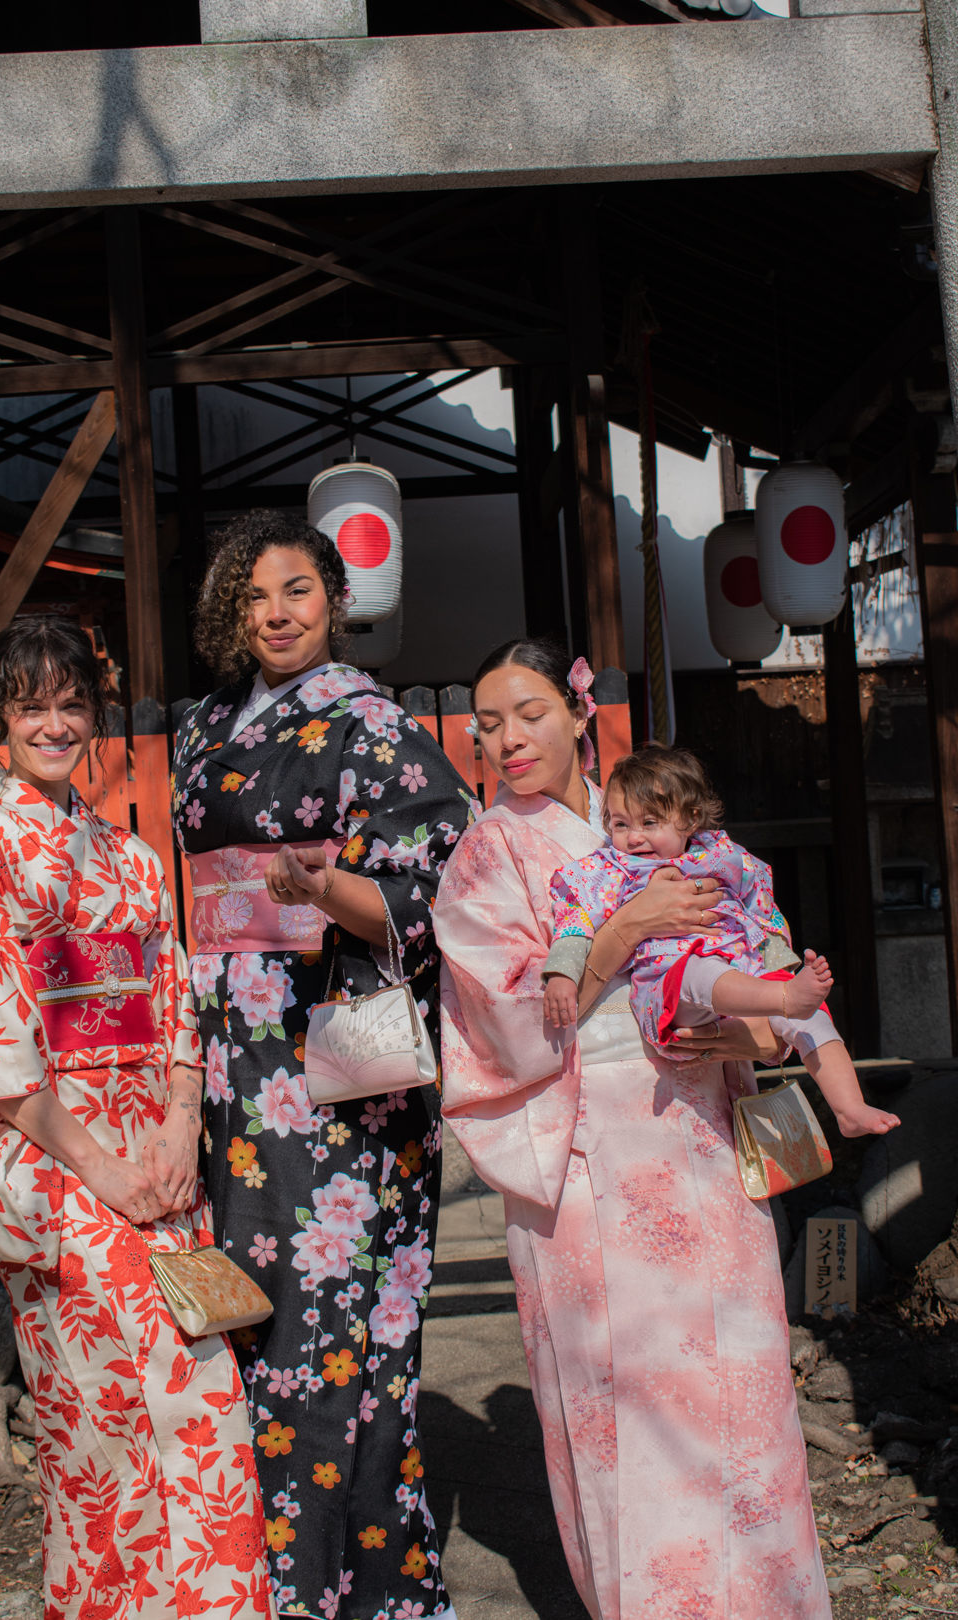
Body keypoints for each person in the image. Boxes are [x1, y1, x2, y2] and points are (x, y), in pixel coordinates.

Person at [432, 636, 832, 1620]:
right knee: (629, 1413)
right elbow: (504, 1022)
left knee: (740, 1393)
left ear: (579, 713)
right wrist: (623, 931)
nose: (509, 739)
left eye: (530, 713)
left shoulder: (656, 822)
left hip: (699, 1131)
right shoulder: (489, 853)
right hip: (589, 1155)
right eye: (489, 724)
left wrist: (752, 1029)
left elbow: (749, 946)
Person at [0, 617, 272, 1620]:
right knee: (110, 1411)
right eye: (33, 707)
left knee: (195, 1392)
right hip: (60, 1166)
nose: (56, 725)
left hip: (155, 1161)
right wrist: (100, 1166)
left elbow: (173, 999)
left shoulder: (129, 856)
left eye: (73, 705)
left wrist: (179, 1130)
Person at [171, 509, 472, 1620]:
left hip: (327, 1061)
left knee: (329, 1324)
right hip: (226, 1053)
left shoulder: (369, 720)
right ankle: (264, 1576)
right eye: (255, 598)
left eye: (296, 591)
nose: (277, 615)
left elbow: (427, 881)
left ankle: (348, 1589)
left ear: (333, 600)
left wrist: (318, 888)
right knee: (252, 1315)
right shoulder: (208, 723)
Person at [542, 743, 900, 1140]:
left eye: (650, 822)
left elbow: (762, 906)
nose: (633, 837)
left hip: (743, 974)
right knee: (702, 970)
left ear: (690, 819)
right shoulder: (610, 868)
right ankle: (782, 1000)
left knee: (811, 1015)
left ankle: (849, 1108)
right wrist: (562, 973)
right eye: (620, 824)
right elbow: (574, 920)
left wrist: (777, 960)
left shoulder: (723, 855)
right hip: (670, 985)